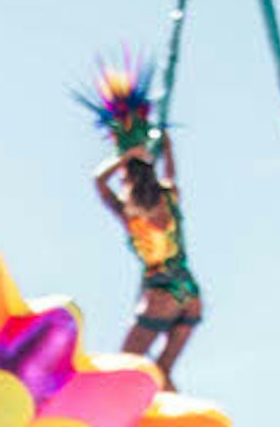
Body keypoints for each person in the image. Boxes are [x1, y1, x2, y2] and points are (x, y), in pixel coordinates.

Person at [83, 57, 199, 379]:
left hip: (161, 295)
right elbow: (170, 164)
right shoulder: (169, 195)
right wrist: (161, 144)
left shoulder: (129, 213)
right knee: (161, 372)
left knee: (124, 371)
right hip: (190, 295)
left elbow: (97, 181)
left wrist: (126, 155)